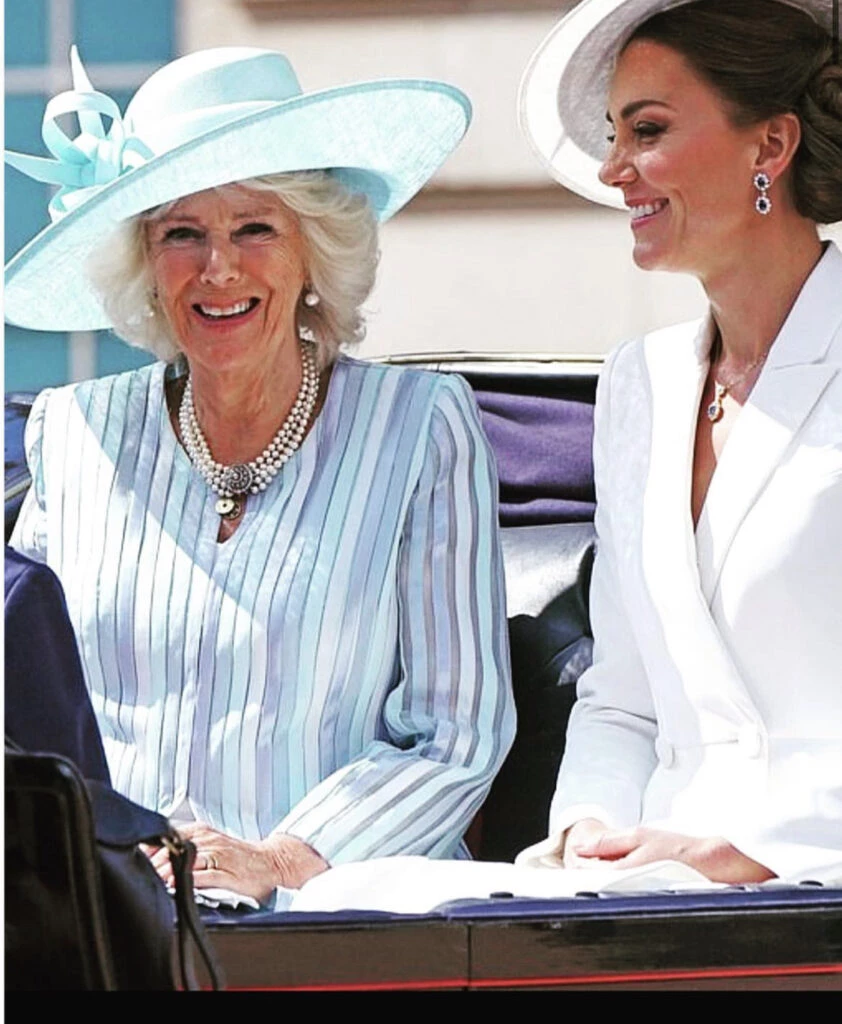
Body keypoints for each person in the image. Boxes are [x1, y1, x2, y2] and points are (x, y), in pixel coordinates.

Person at [6, 46, 516, 905]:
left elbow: (455, 733)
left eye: (254, 227)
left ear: (312, 249)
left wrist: (280, 862)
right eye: (181, 234)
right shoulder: (73, 432)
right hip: (108, 918)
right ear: (145, 262)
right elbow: (24, 706)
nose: (219, 268)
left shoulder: (421, 428)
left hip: (339, 918)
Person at [516, 0, 842, 883]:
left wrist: (761, 856)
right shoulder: (641, 383)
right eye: (615, 133)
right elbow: (622, 699)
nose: (615, 168)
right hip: (647, 908)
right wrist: (589, 829)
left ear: (769, 147)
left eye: (647, 130)